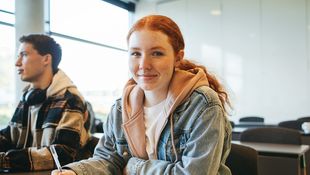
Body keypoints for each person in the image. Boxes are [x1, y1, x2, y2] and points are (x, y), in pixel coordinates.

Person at [52, 15, 232, 175]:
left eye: (157, 53)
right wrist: (74, 172)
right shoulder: (121, 107)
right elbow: (109, 160)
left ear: (178, 58)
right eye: (136, 53)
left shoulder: (203, 104)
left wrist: (134, 167)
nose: (143, 65)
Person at [0, 34, 92, 171]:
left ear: (46, 59)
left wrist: (5, 160)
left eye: (24, 55)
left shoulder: (71, 100)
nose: (17, 62)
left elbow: (63, 154)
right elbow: (8, 136)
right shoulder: (28, 98)